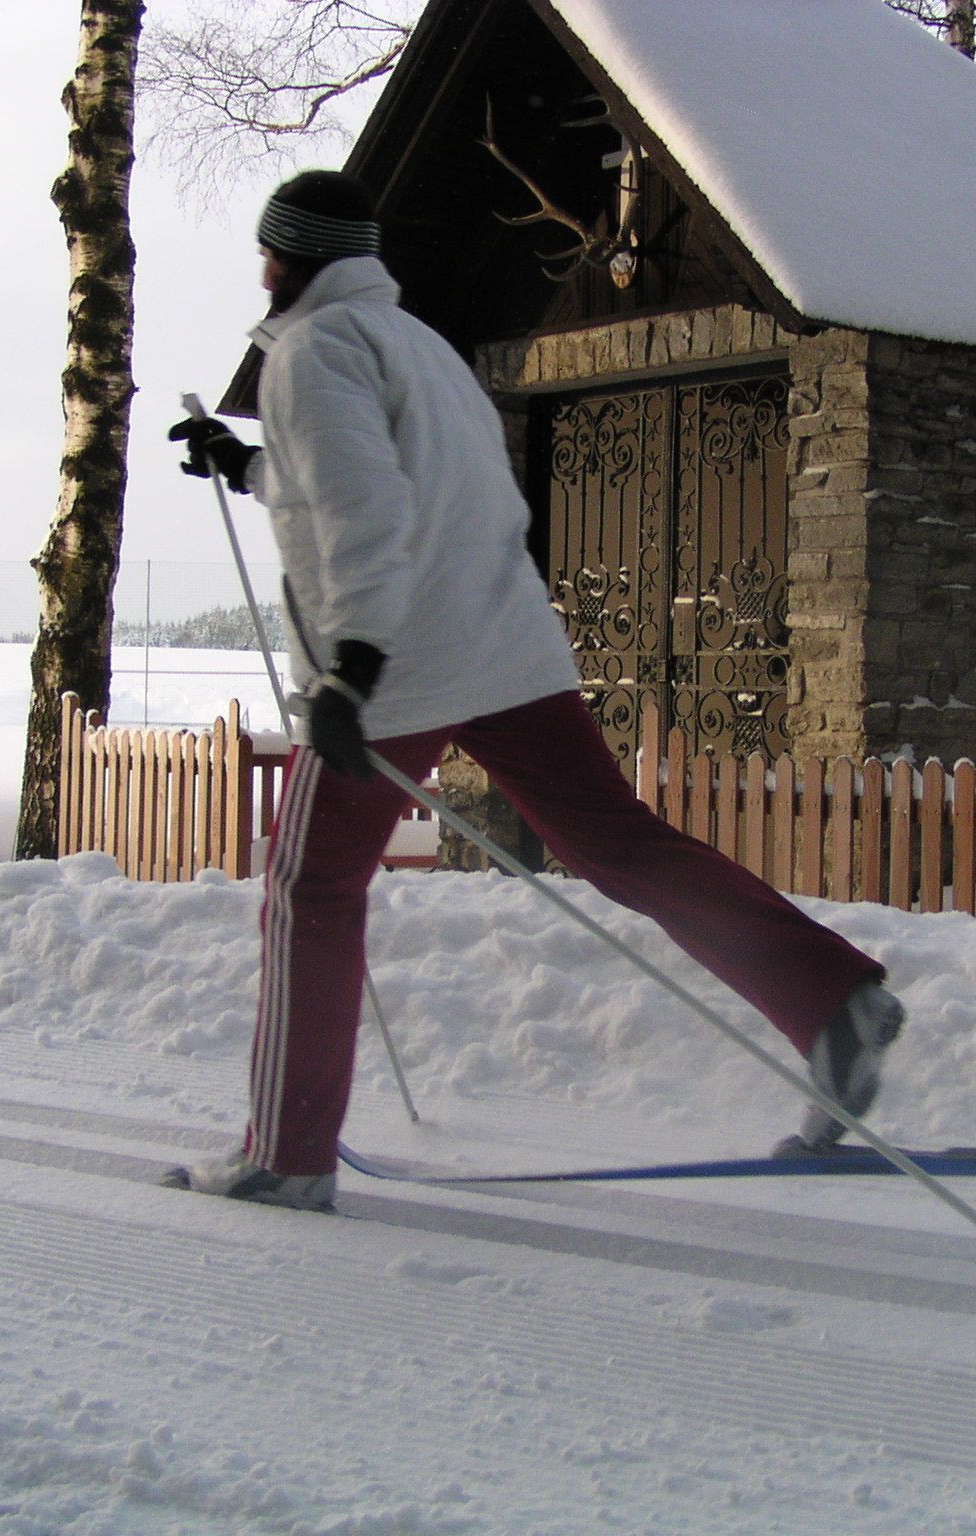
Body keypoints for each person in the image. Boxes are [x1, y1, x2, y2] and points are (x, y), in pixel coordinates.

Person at [165, 170, 904, 1211]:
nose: (260, 269)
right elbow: (393, 484)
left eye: (267, 252)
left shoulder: (311, 354)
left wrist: (353, 666)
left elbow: (367, 513)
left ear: (291, 258)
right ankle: (829, 1000)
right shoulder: (414, 347)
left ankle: (285, 1153)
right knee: (614, 841)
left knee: (310, 888)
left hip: (402, 666)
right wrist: (246, 466)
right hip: (506, 645)